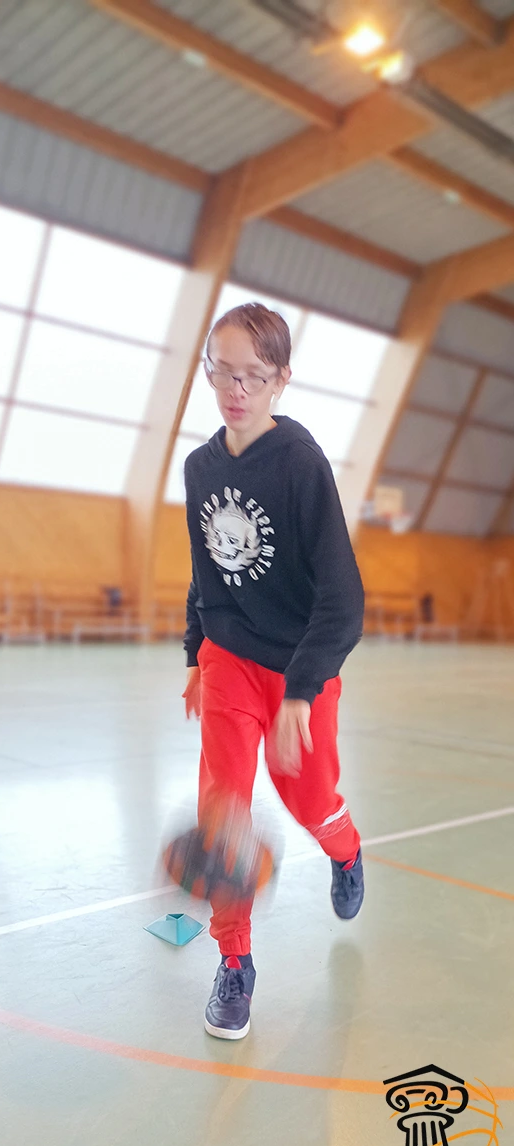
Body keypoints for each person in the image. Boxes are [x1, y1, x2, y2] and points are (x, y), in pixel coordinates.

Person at [181, 302, 365, 1041]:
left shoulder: (299, 464)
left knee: (309, 796)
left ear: (281, 379)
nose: (235, 390)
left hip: (298, 665)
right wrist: (194, 654)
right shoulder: (199, 469)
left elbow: (344, 598)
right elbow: (205, 573)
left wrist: (301, 690)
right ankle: (235, 962)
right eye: (221, 372)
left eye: (252, 376)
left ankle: (345, 850)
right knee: (222, 811)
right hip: (228, 658)